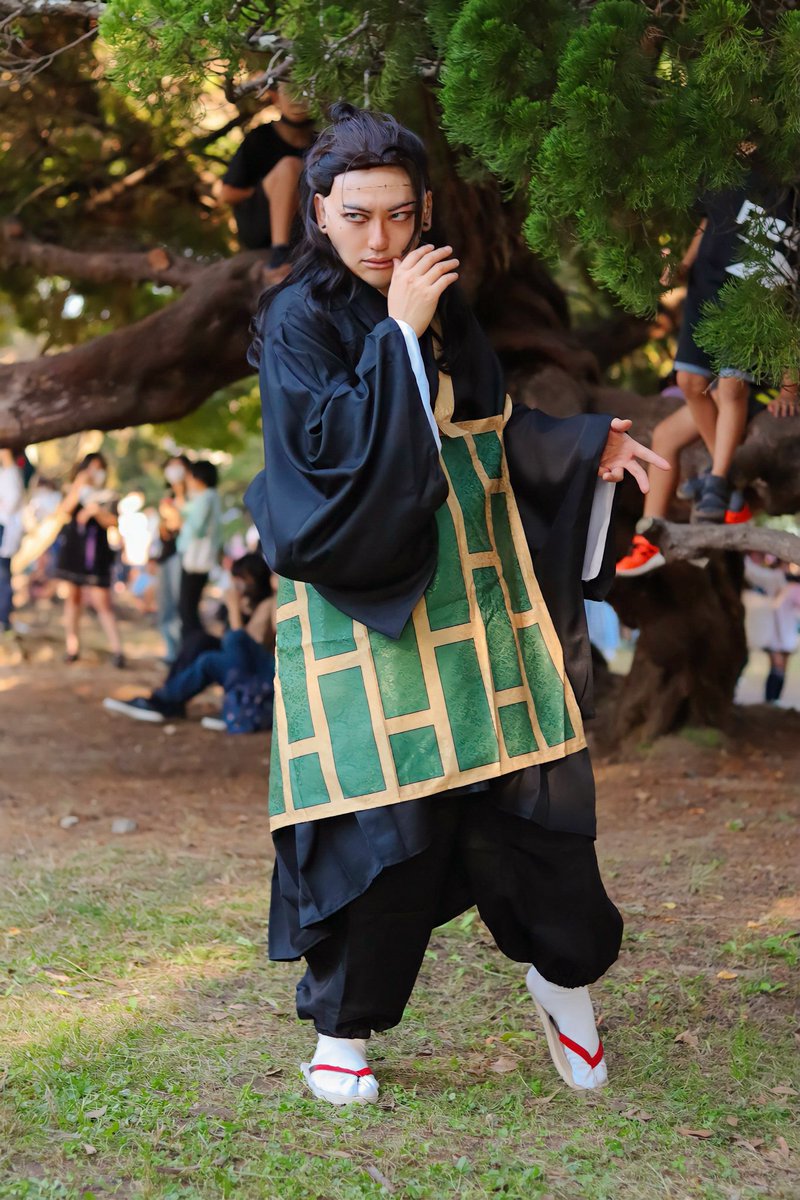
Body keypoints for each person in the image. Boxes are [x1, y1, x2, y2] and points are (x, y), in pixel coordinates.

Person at [244, 103, 669, 1106]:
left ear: (425, 209)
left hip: (478, 600)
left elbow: (483, 431)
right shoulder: (298, 318)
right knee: (386, 823)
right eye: (356, 216)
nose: (379, 240)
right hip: (369, 612)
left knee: (527, 805)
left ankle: (562, 980)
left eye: (399, 215)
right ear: (318, 212)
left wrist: (582, 445)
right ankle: (343, 1031)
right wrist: (397, 333)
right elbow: (326, 468)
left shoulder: (444, 296)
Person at [656, 173, 800, 524]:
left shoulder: (791, 190)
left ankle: (718, 479)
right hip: (706, 289)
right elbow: (707, 222)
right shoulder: (725, 172)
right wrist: (681, 267)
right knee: (689, 381)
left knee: (732, 385)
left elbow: (794, 311)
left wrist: (789, 386)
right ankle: (724, 480)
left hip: (753, 299)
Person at [616, 377, 794, 577]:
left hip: (748, 388)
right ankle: (650, 536)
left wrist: (789, 392)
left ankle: (722, 486)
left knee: (717, 388)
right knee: (665, 434)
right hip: (717, 389)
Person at [103, 552, 276, 730]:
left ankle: (163, 702)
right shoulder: (245, 603)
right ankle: (164, 699)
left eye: (243, 580)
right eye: (235, 579)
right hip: (240, 666)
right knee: (198, 641)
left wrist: (234, 609)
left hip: (255, 670)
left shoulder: (269, 604)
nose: (238, 585)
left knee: (210, 659)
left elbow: (243, 646)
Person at [218, 81, 316, 268]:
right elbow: (226, 194)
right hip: (260, 229)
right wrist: (274, 192)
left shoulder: (321, 142)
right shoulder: (260, 138)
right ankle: (280, 254)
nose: (297, 99)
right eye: (290, 91)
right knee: (290, 167)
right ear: (275, 97)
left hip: (304, 228)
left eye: (303, 91)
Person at [54, 452, 125, 666]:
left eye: (99, 468)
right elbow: (63, 511)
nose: (95, 473)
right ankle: (72, 647)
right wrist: (78, 487)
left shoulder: (108, 496)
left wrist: (95, 511)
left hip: (97, 555)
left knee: (102, 601)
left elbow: (113, 522)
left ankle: (117, 650)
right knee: (73, 598)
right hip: (74, 551)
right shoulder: (74, 491)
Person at [742, 554, 800, 703]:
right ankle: (770, 700)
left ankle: (775, 700)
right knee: (777, 666)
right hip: (774, 632)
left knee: (782, 668)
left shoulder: (793, 586)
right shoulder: (772, 579)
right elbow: (753, 573)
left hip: (787, 632)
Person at [176, 459, 222, 642]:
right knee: (190, 607)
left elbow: (196, 527)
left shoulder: (205, 498)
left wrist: (180, 520)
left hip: (195, 560)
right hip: (202, 559)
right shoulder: (212, 497)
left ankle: (193, 646)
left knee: (187, 609)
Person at [155, 454, 189, 662]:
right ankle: (171, 651)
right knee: (165, 605)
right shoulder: (167, 498)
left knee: (179, 605)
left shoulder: (192, 497)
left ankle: (182, 652)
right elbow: (165, 530)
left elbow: (181, 523)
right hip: (166, 555)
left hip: (183, 556)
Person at [0, 447, 25, 634]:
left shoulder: (12, 474)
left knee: (2, 577)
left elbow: (10, 504)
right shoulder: (6, 473)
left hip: (4, 530)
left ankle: (3, 619)